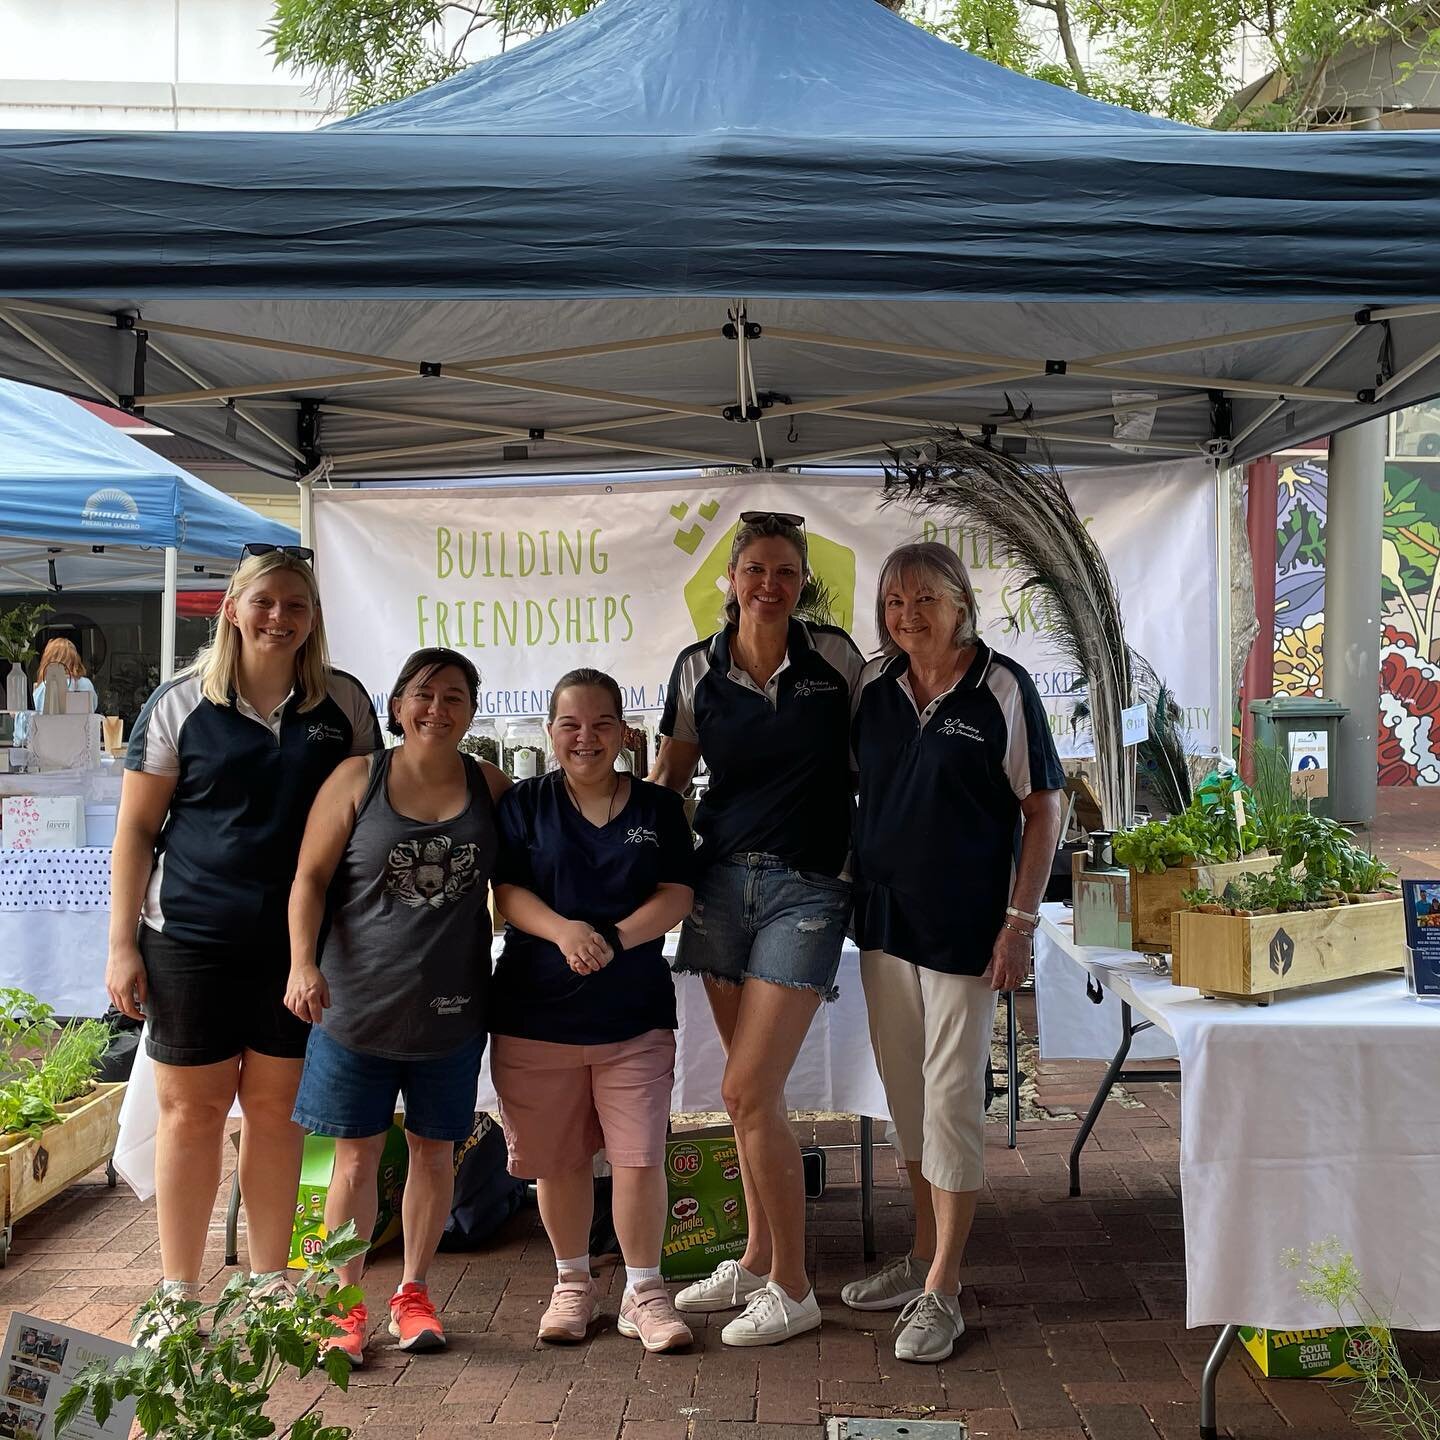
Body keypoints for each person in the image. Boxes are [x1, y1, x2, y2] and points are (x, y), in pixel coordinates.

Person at [105, 545, 380, 1330]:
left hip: (298, 949)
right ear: (231, 609)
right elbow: (135, 830)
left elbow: (362, 826)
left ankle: (266, 1286)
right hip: (190, 939)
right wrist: (122, 945)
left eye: (295, 604)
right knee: (190, 1117)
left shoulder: (346, 707)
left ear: (312, 618)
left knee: (277, 1114)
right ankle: (178, 1294)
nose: (279, 617)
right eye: (264, 602)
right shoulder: (180, 703)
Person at [843, 541, 1063, 1363]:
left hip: (967, 930)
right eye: (895, 600)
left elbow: (1044, 808)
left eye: (925, 598)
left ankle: (944, 1288)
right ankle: (918, 1255)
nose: (908, 614)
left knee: (950, 1102)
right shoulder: (874, 686)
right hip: (883, 923)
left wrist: (1020, 922)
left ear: (961, 603)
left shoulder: (1001, 685)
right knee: (906, 1099)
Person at [651, 512, 863, 1347]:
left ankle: (795, 1286)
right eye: (756, 570)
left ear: (801, 582)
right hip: (718, 885)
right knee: (754, 1099)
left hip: (809, 887)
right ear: (731, 580)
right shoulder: (695, 667)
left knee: (743, 1089)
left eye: (785, 572)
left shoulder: (836, 658)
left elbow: (872, 763)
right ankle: (753, 1255)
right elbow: (671, 777)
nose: (770, 585)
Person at [286, 647, 508, 1365]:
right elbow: (309, 880)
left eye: (453, 697)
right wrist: (300, 963)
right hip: (355, 1007)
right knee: (353, 1161)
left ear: (471, 713)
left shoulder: (492, 785)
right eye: (422, 694)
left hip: (452, 1011)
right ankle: (342, 1307)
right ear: (396, 705)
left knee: (434, 1154)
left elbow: (528, 879)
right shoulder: (357, 778)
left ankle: (413, 1294)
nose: (436, 709)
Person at [491, 669, 696, 1353]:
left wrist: (612, 937)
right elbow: (507, 894)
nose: (586, 738)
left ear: (624, 732)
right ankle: (572, 1284)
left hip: (633, 1017)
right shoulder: (524, 804)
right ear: (550, 733)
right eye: (571, 725)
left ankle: (645, 1291)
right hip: (535, 1015)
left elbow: (678, 894)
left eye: (601, 723)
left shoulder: (658, 808)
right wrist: (564, 931)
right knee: (561, 1160)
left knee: (639, 1157)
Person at [14, 637, 97, 744]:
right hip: (81, 746)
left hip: (49, 747)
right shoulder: (87, 685)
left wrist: (17, 714)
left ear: (49, 660)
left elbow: (29, 723)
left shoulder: (45, 687)